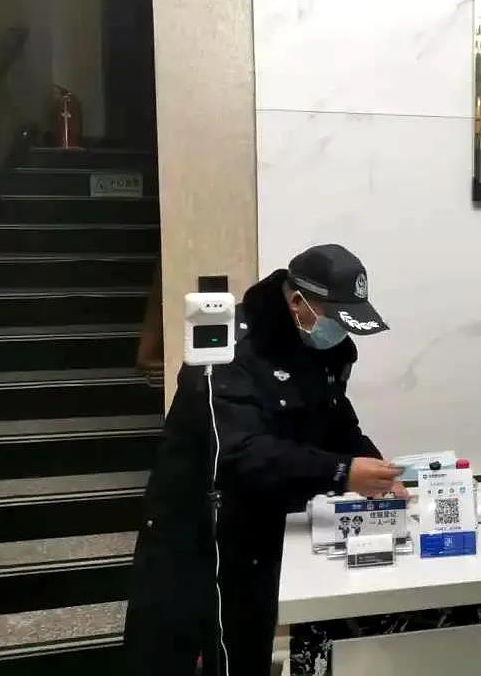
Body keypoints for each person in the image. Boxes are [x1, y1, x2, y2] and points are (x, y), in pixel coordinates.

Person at [124, 244, 404, 676]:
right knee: (188, 650)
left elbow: (335, 418)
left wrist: (374, 466)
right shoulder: (234, 347)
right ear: (298, 302)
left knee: (249, 641)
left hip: (263, 519)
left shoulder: (326, 348)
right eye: (336, 318)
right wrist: (342, 472)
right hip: (199, 526)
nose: (339, 332)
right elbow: (241, 452)